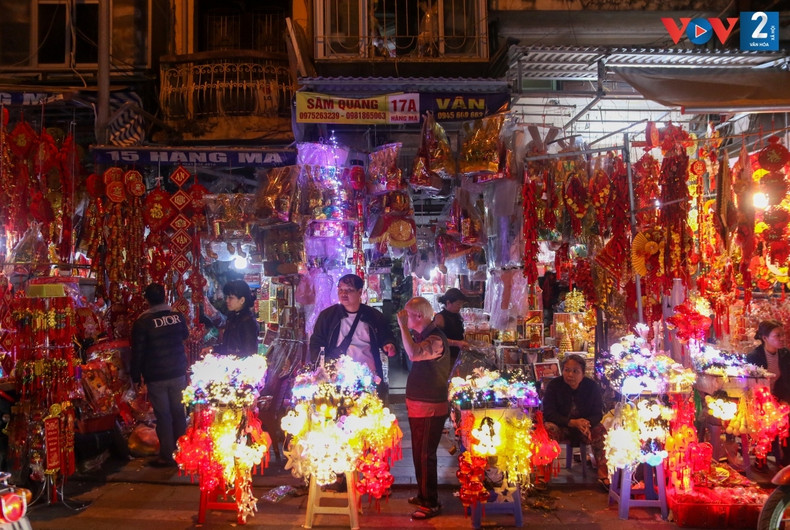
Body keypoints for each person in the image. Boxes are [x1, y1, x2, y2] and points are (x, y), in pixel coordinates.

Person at [397, 296, 450, 520]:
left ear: (418, 316)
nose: (404, 318)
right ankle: (423, 494)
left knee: (425, 453)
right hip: (419, 403)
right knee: (419, 453)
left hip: (430, 406)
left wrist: (401, 327)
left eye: (407, 314)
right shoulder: (424, 335)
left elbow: (413, 354)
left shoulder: (436, 339)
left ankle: (431, 501)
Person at [130, 283, 190, 467]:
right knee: (179, 413)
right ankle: (184, 452)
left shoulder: (143, 322)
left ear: (147, 299)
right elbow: (185, 335)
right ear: (165, 297)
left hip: (156, 375)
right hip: (178, 372)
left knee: (163, 415)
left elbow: (137, 352)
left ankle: (167, 455)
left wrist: (135, 376)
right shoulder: (177, 317)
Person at [309, 274, 397, 396]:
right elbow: (316, 342)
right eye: (340, 289)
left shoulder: (373, 316)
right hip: (337, 377)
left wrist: (389, 344)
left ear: (360, 292)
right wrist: (321, 365)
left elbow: (386, 335)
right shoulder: (327, 316)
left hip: (367, 377)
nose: (343, 294)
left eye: (349, 290)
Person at [542, 354, 609, 490]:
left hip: (584, 427)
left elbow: (598, 413)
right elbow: (548, 413)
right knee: (546, 430)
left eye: (575, 371)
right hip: (562, 426)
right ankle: (542, 474)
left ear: (583, 373)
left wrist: (586, 423)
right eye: (567, 370)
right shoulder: (554, 386)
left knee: (600, 430)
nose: (570, 374)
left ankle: (603, 474)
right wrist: (572, 422)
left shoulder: (591, 387)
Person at [747, 320, 790, 403]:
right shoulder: (754, 357)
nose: (782, 338)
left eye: (783, 334)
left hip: (781, 399)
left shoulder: (785, 353)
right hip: (760, 400)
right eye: (777, 336)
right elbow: (752, 385)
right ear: (765, 338)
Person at [216, 279, 259, 357]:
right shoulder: (233, 317)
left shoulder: (247, 322)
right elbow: (228, 347)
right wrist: (213, 349)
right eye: (227, 297)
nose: (227, 300)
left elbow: (249, 353)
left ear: (242, 300)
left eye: (231, 298)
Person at [433, 287, 470, 365]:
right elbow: (437, 340)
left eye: (461, 304)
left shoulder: (456, 315)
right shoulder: (440, 317)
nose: (460, 306)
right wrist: (457, 343)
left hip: (457, 355)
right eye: (458, 304)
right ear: (448, 302)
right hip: (445, 358)